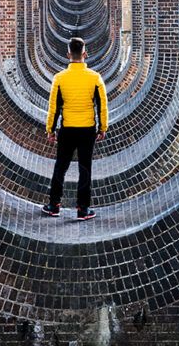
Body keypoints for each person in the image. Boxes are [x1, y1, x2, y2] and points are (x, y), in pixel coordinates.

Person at [42, 37, 108, 221]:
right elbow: (102, 105)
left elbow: (54, 107)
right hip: (87, 129)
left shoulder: (59, 78)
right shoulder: (95, 78)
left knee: (60, 167)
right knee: (85, 168)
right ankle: (83, 209)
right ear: (85, 54)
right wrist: (103, 127)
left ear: (68, 54)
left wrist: (50, 129)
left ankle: (54, 206)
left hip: (67, 129)